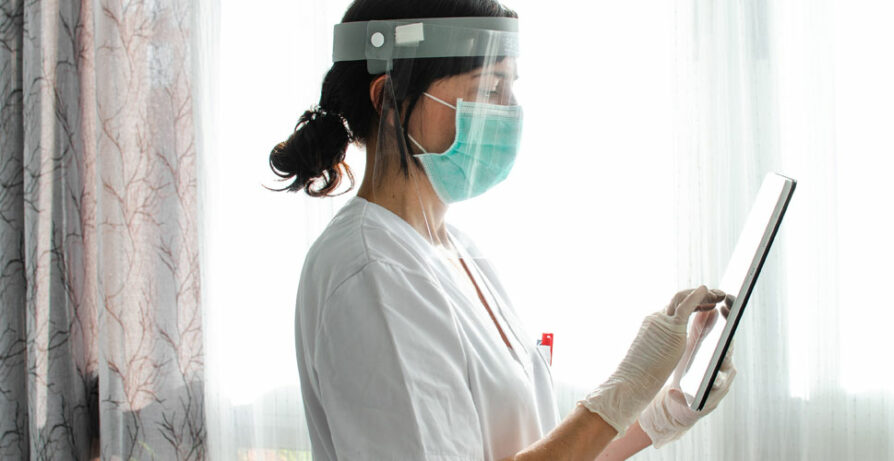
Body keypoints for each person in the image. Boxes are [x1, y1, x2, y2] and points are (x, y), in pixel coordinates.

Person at [268, 1, 737, 459]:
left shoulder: (454, 252)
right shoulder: (372, 275)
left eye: (511, 89)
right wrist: (620, 392)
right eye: (489, 89)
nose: (510, 111)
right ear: (389, 99)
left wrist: (658, 412)